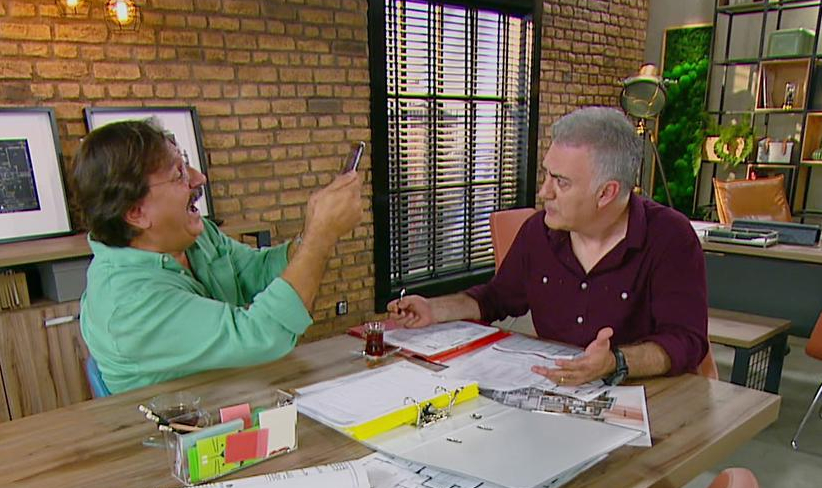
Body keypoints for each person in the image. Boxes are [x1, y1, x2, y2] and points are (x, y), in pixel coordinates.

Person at [388, 106, 708, 387]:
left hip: (648, 398)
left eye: (561, 182)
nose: (544, 192)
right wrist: (434, 309)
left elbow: (686, 340)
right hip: (557, 391)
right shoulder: (538, 232)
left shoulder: (670, 237)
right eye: (546, 175)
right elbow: (496, 298)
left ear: (606, 193)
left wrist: (616, 361)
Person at [74, 119, 362, 394]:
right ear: (136, 213)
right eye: (179, 174)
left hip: (229, 397)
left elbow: (257, 272)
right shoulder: (128, 303)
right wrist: (320, 238)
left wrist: (311, 232)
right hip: (175, 425)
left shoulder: (194, 237)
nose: (199, 178)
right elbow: (262, 336)